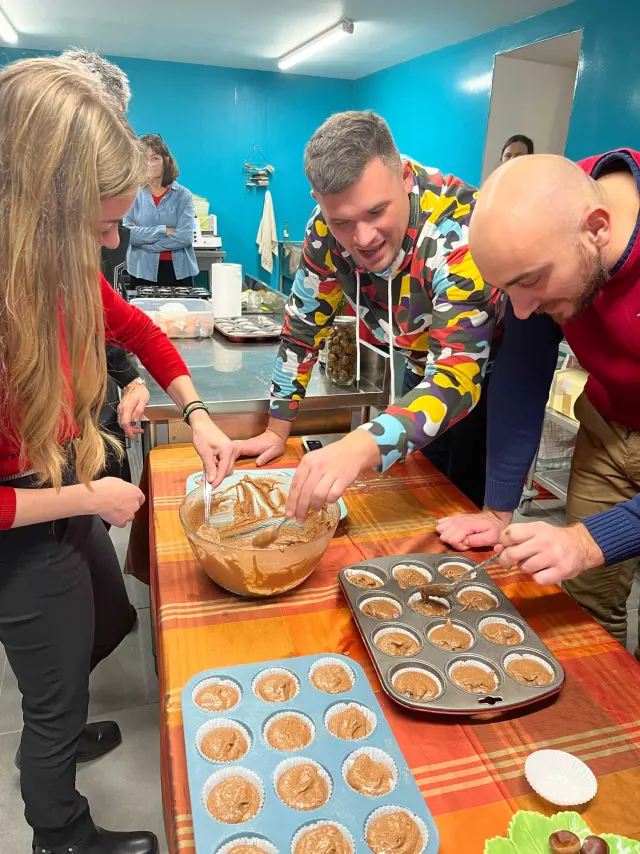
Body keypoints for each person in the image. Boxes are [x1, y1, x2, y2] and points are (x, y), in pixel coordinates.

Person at [0, 58, 235, 854]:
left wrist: (195, 411)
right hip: (21, 517)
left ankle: (65, 725)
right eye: (101, 228)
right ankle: (58, 829)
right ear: (41, 207)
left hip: (58, 484)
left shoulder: (58, 270)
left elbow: (137, 330)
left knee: (103, 612)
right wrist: (87, 498)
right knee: (51, 691)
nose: (110, 244)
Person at [235, 111, 500, 517]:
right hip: (419, 365)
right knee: (415, 494)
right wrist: (276, 428)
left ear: (406, 177)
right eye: (342, 222)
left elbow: (456, 379)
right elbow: (303, 330)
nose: (363, 238)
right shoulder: (324, 230)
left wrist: (360, 445)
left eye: (377, 213)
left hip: (484, 380)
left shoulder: (460, 232)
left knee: (459, 507)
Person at [437, 151, 640, 657]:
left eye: (531, 282)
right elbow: (523, 373)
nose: (523, 308)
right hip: (610, 424)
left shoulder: (571, 220)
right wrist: (498, 509)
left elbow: (592, 542)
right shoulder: (549, 212)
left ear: (597, 228)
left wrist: (590, 541)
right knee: (587, 608)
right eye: (509, 290)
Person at [61, 48, 149, 488]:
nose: (113, 240)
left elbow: (116, 322)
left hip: (87, 405)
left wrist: (130, 379)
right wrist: (78, 502)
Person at [124, 134, 199, 290]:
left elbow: (184, 237)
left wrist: (146, 245)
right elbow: (126, 233)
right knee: (143, 314)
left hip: (178, 272)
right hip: (141, 271)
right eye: (145, 159)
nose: (150, 164)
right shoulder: (132, 194)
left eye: (155, 158)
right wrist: (163, 230)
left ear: (167, 160)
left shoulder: (183, 195)